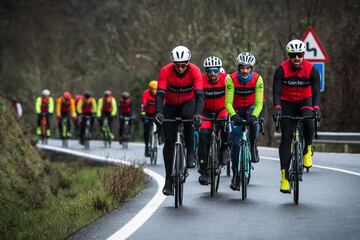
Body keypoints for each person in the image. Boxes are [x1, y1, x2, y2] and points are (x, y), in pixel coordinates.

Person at [272, 39, 321, 194]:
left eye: (299, 55)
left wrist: (317, 108)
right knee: (286, 137)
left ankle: (307, 149)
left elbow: (316, 92)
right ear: (289, 56)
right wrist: (277, 107)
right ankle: (285, 178)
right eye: (293, 55)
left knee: (308, 120)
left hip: (305, 101)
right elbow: (277, 92)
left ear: (303, 55)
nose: (297, 58)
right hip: (287, 104)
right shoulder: (281, 70)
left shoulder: (312, 70)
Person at [155, 45, 204, 196]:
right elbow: (160, 93)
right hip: (170, 104)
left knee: (188, 119)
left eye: (184, 64)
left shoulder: (195, 70)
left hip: (188, 102)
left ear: (188, 62)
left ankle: (190, 153)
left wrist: (198, 114)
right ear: (173, 63)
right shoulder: (165, 71)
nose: (181, 68)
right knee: (169, 142)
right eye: (177, 64)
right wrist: (159, 112)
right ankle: (168, 180)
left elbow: (199, 95)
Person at [225, 52, 264, 191]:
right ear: (238, 67)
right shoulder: (230, 79)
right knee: (235, 142)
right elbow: (228, 102)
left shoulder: (258, 79)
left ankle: (253, 146)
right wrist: (233, 115)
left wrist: (254, 116)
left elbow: (259, 103)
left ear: (252, 68)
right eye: (242, 67)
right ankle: (236, 174)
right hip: (236, 108)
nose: (245, 71)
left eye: (248, 68)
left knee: (254, 127)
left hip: (251, 107)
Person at [197, 56, 230, 185]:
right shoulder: (200, 80)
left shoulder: (226, 79)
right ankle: (204, 170)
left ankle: (224, 148)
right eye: (210, 71)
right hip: (205, 113)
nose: (213, 74)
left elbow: (233, 95)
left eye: (216, 70)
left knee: (225, 124)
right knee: (203, 135)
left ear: (219, 70)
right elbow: (196, 98)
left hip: (222, 109)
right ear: (206, 71)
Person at [141, 80, 158, 157]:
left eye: (155, 89)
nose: (154, 91)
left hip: (156, 113)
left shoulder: (160, 94)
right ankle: (147, 147)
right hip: (147, 114)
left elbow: (163, 104)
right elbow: (143, 105)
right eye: (152, 89)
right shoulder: (146, 93)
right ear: (149, 89)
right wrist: (143, 115)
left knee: (162, 124)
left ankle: (159, 136)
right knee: (146, 131)